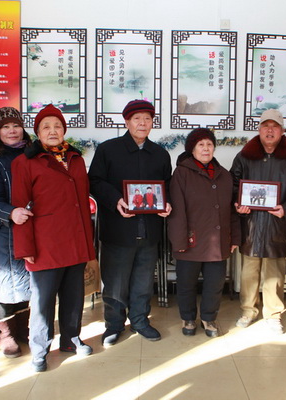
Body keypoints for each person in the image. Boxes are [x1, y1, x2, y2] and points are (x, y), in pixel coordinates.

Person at [11, 104, 96, 372]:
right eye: (46, 127)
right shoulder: (24, 162)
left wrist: (87, 244)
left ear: (64, 130)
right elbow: (20, 206)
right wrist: (25, 246)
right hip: (44, 243)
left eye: (57, 126)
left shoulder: (75, 158)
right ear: (37, 132)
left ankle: (71, 339)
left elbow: (82, 203)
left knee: (74, 296)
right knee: (42, 301)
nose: (52, 131)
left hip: (75, 240)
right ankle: (40, 349)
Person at [88, 99, 172, 346]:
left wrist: (167, 203)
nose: (142, 123)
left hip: (149, 230)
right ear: (127, 122)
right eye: (137, 119)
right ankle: (114, 325)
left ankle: (140, 320)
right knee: (115, 282)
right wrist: (115, 200)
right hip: (118, 228)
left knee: (143, 281)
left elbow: (167, 186)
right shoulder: (108, 150)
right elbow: (94, 181)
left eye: (147, 119)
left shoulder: (160, 154)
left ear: (152, 123)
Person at [230, 109, 286, 334]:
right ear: (259, 129)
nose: (270, 130)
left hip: (277, 223)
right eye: (266, 126)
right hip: (251, 223)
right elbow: (233, 183)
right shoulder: (245, 156)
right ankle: (248, 310)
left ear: (282, 131)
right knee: (249, 270)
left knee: (275, 271)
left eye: (275, 126)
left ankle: (273, 314)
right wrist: (238, 203)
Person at [168, 128, 241, 338]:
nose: (206, 148)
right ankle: (188, 318)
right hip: (190, 239)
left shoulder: (224, 175)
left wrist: (235, 237)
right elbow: (177, 210)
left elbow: (232, 210)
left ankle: (209, 318)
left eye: (209, 144)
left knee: (215, 284)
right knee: (186, 283)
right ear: (192, 149)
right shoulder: (181, 173)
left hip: (218, 241)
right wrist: (179, 240)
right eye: (201, 145)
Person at [0, 107, 33, 358]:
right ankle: (5, 333)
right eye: (5, 127)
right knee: (4, 282)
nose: (12, 131)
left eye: (16, 126)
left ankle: (23, 329)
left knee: (29, 279)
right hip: (5, 230)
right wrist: (11, 212)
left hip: (32, 228)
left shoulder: (34, 153)